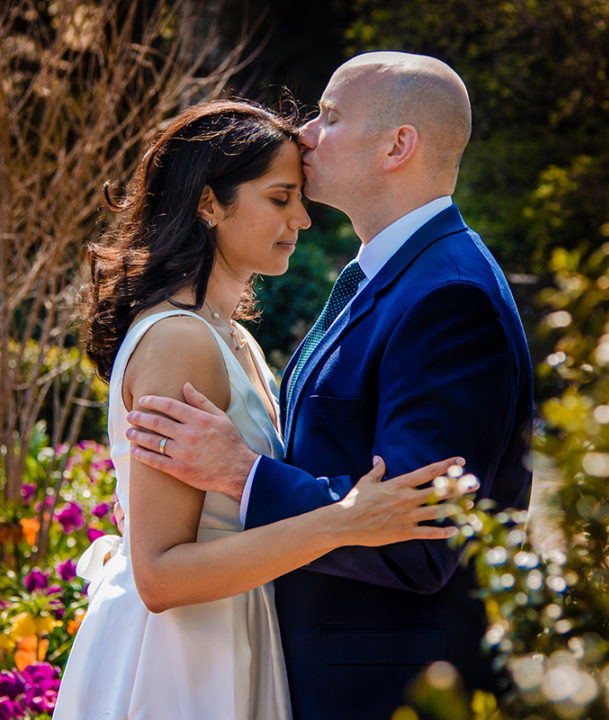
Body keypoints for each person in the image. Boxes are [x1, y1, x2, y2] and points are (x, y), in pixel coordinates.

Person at [126, 52, 534, 719]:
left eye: (330, 115)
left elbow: (420, 534)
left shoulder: (450, 296)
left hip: (387, 689)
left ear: (398, 146)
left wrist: (241, 473)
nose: (307, 133)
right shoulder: (387, 276)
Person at [53, 99, 470, 720]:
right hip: (179, 661)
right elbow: (160, 576)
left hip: (239, 635)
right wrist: (346, 519)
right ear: (208, 202)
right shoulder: (180, 341)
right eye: (280, 197)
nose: (302, 218)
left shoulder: (234, 338)